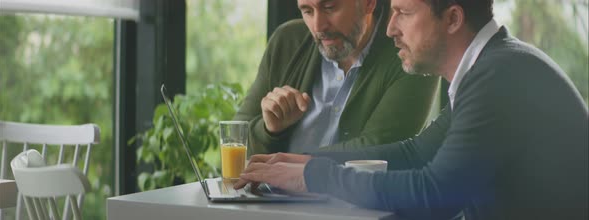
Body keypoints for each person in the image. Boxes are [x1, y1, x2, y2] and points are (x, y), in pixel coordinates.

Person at [235, 0, 589, 219]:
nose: (390, 29)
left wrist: (315, 176)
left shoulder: (499, 77)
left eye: (403, 12)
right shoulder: (492, 67)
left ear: (452, 19)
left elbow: (434, 196)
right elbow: (416, 152)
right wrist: (306, 162)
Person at [234, 0, 440, 154]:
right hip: (273, 206)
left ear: (368, 3)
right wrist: (270, 129)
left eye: (330, 7)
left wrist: (289, 167)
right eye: (307, 10)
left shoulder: (411, 56)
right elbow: (234, 139)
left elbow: (379, 152)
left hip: (360, 210)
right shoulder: (287, 40)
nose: (318, 26)